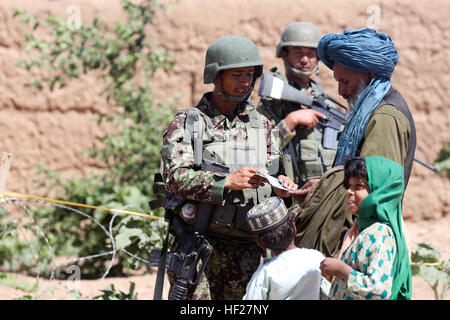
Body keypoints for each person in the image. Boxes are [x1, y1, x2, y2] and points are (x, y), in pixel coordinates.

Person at [159, 35, 296, 300]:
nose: (245, 82)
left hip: (247, 250)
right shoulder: (190, 122)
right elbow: (174, 177)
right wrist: (225, 183)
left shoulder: (263, 126)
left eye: (249, 74)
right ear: (216, 75)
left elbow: (275, 173)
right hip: (197, 246)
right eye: (236, 74)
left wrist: (282, 187)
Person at [289, 28, 416, 258]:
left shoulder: (384, 118)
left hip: (360, 247)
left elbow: (373, 193)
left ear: (367, 75)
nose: (340, 90)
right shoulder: (370, 112)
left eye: (345, 81)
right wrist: (324, 185)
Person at [257, 22, 339, 188]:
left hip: (323, 193)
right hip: (289, 195)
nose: (304, 60)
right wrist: (290, 121)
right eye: (298, 53)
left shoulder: (323, 99)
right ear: (284, 55)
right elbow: (256, 151)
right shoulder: (273, 101)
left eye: (311, 54)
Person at [319, 156, 412, 300]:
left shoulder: (380, 233)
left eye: (358, 186)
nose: (349, 192)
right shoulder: (361, 228)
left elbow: (378, 290)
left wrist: (342, 270)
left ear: (379, 192)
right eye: (349, 186)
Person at [242, 196, 330, 300]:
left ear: (260, 244)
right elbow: (328, 293)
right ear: (294, 228)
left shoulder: (265, 271)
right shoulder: (316, 257)